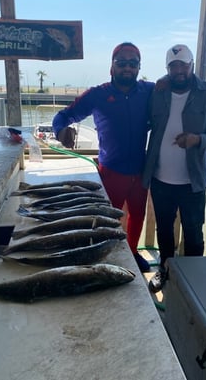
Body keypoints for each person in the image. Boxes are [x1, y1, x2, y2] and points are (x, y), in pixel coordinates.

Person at [52, 42, 154, 272]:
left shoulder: (150, 91)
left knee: (137, 216)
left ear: (139, 68)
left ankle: (133, 252)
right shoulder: (98, 94)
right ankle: (103, 254)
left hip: (140, 171)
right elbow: (63, 116)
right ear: (111, 67)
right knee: (103, 219)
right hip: (110, 172)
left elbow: (176, 95)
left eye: (133, 63)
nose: (127, 68)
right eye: (121, 63)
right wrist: (60, 131)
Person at [142, 44, 206, 292]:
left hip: (193, 181)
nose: (179, 70)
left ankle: (193, 280)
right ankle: (164, 270)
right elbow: (146, 121)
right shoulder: (159, 91)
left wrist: (197, 139)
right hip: (160, 178)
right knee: (164, 230)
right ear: (168, 68)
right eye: (173, 66)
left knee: (193, 233)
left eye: (183, 65)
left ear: (192, 65)